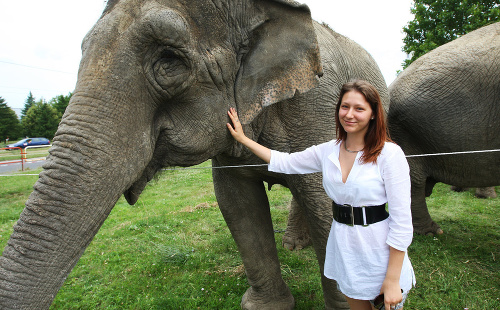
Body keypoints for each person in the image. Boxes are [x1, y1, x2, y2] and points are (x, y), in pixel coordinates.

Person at [226, 80, 415, 310]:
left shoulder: (389, 154)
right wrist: (244, 140)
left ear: (374, 114)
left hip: (379, 250)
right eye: (344, 107)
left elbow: (402, 223)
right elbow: (285, 162)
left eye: (359, 108)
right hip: (344, 245)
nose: (349, 114)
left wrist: (393, 279)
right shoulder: (328, 151)